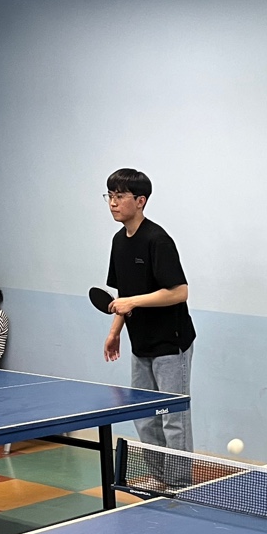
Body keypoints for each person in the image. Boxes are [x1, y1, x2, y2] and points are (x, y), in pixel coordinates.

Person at [99, 168, 194, 490]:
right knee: (144, 414)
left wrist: (133, 302)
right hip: (140, 342)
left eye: (120, 196)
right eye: (110, 196)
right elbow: (123, 295)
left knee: (173, 417)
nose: (113, 203)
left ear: (140, 201)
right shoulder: (118, 241)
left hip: (171, 342)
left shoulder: (157, 239)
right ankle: (158, 476)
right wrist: (115, 331)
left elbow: (179, 292)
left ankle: (178, 483)